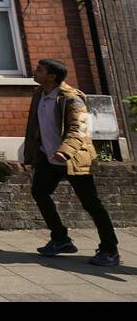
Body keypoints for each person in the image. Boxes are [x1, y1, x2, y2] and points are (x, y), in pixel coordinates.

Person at [24, 58, 120, 267]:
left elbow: (80, 129)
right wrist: (33, 152)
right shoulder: (39, 94)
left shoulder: (72, 98)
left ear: (52, 76)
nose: (35, 72)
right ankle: (60, 239)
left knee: (91, 204)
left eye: (40, 70)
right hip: (48, 157)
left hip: (73, 159)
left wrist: (64, 152)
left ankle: (110, 249)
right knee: (39, 192)